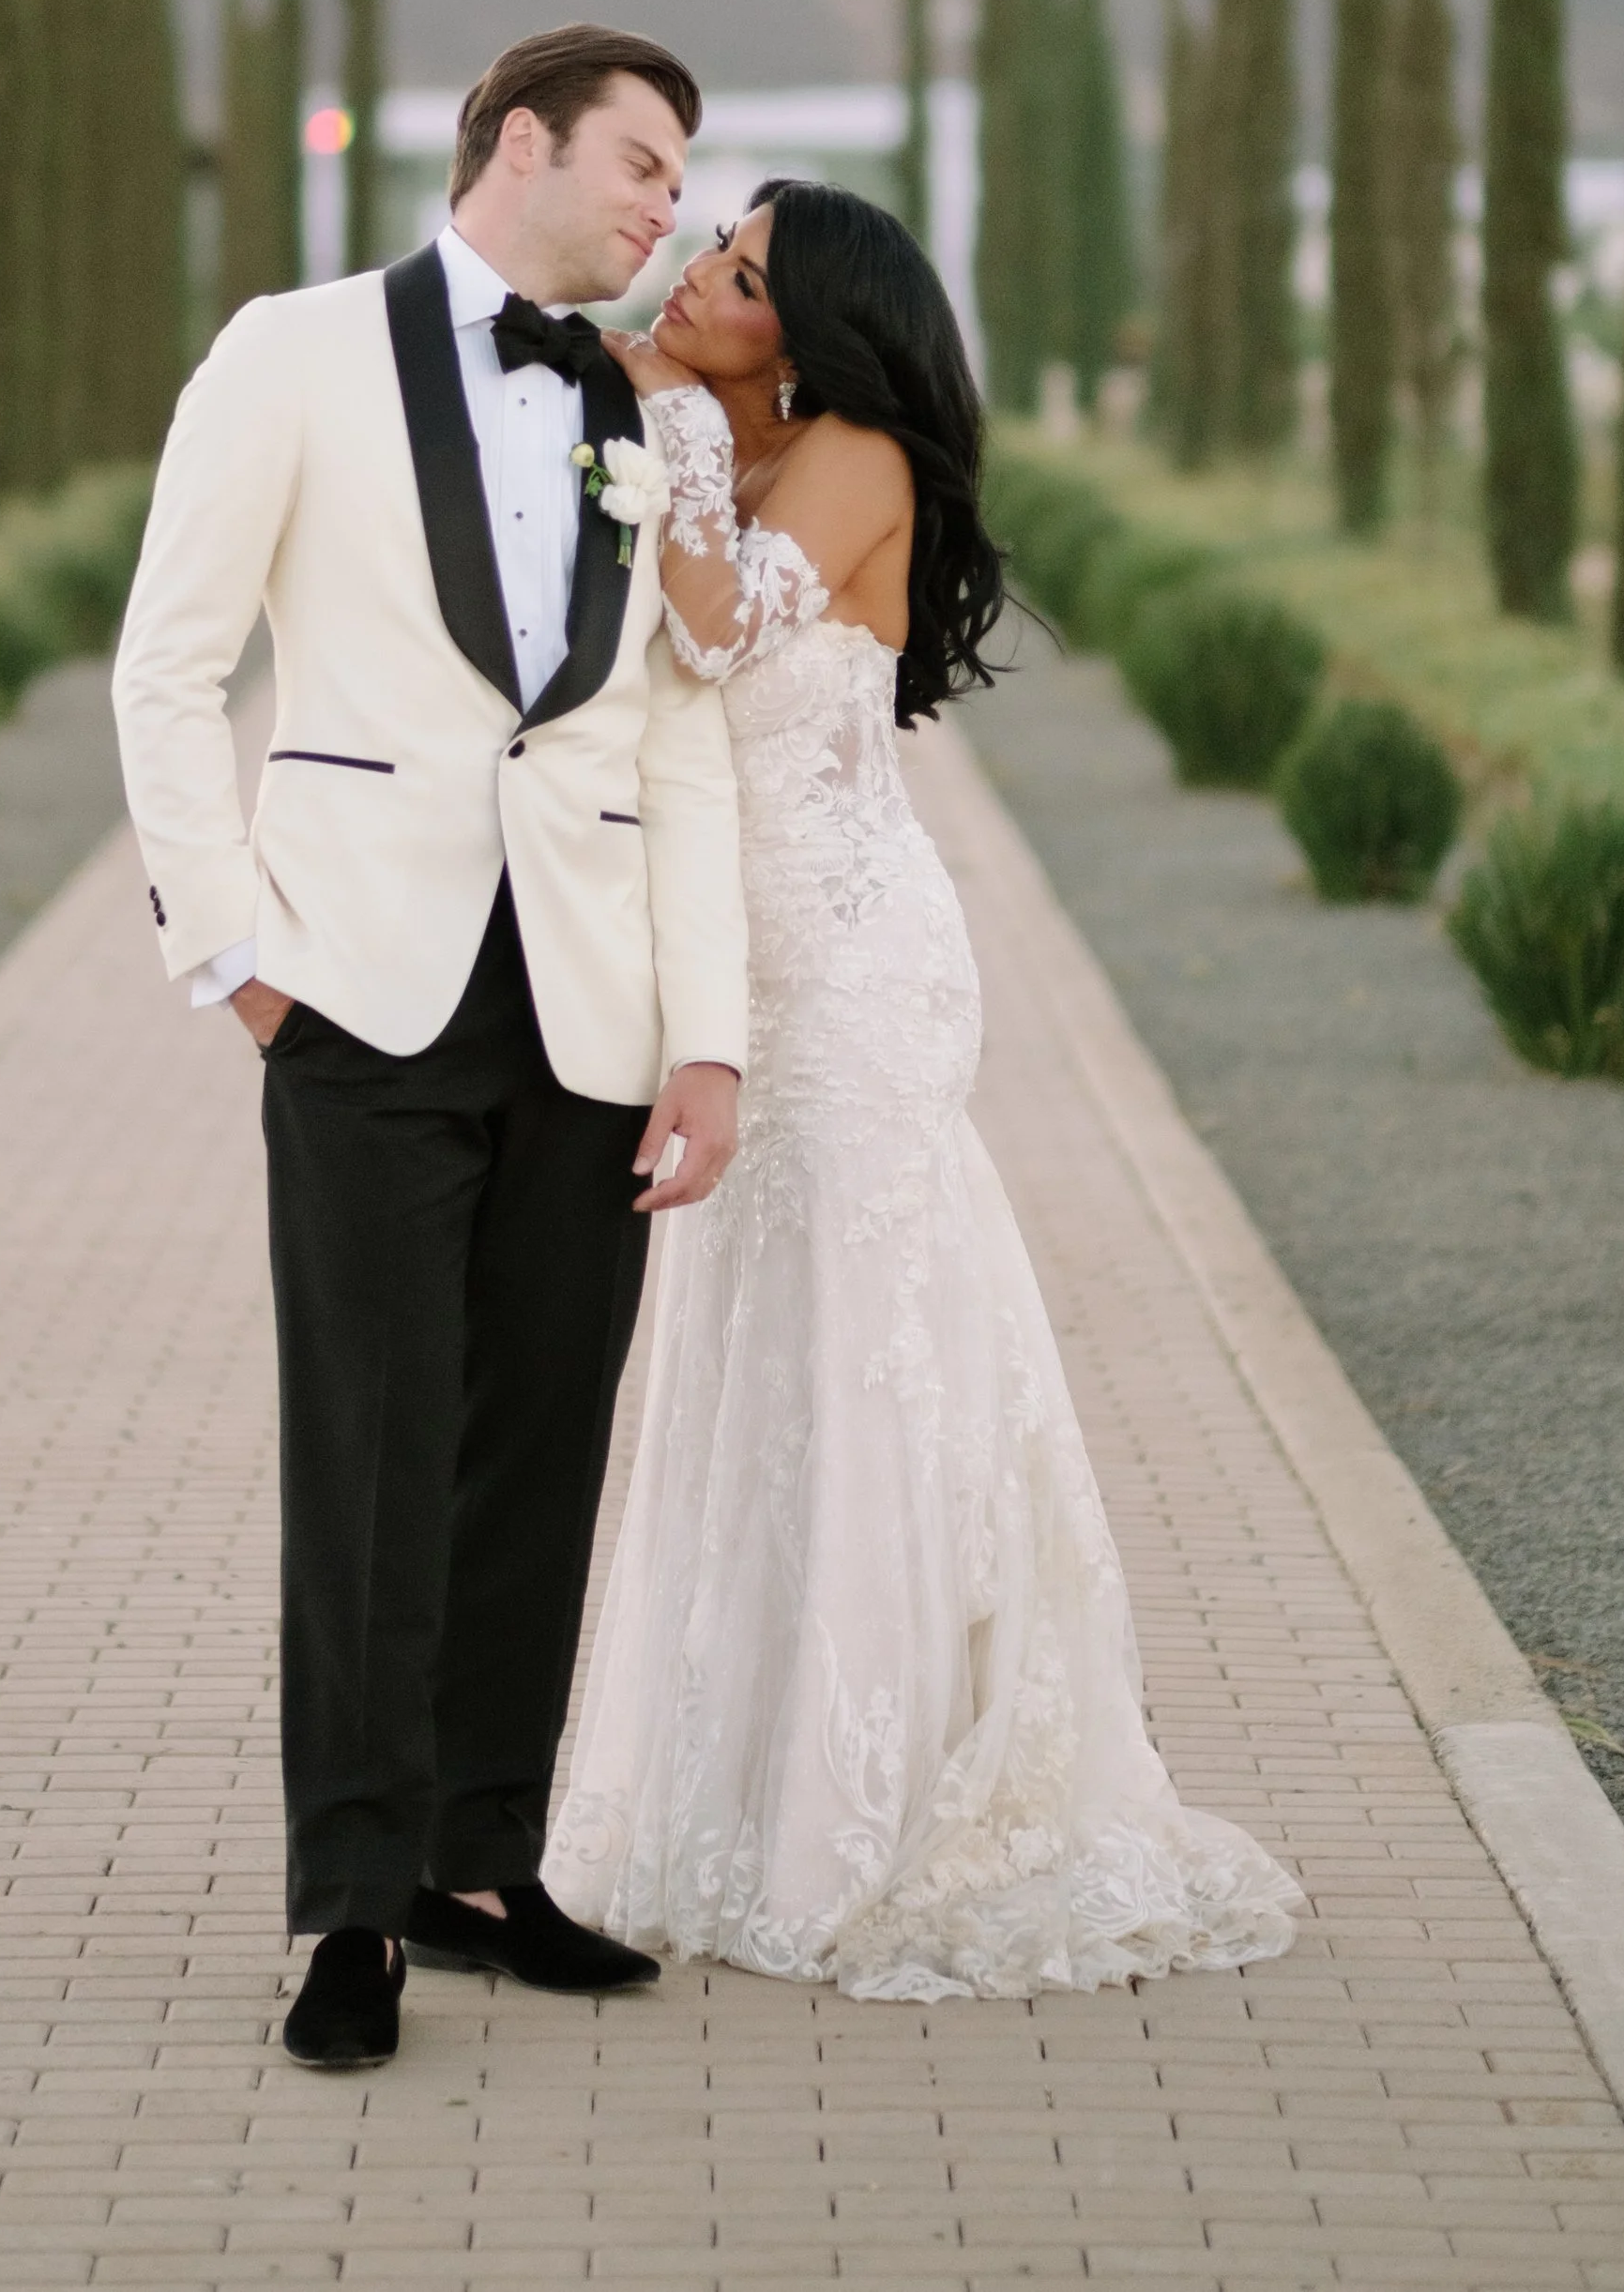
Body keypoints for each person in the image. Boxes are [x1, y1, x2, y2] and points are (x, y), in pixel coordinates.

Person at [546, 179, 1299, 1998]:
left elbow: (716, 633)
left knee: (870, 1347)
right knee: (753, 1355)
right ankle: (733, 1791)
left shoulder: (856, 455)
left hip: (858, 970)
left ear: (803, 331)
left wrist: (648, 410)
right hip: (739, 974)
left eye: (730, 278)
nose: (688, 282)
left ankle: (881, 1810)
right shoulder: (722, 430)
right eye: (701, 259)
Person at [113, 24, 749, 2072]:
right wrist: (231, 952)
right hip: (360, 997)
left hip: (587, 1011)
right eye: (641, 165)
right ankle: (352, 1909)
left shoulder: (631, 407)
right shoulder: (288, 351)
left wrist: (708, 1043)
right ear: (513, 145)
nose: (666, 207)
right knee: (370, 1458)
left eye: (680, 179)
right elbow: (169, 661)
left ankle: (484, 1863)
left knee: (535, 1450)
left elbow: (671, 738)